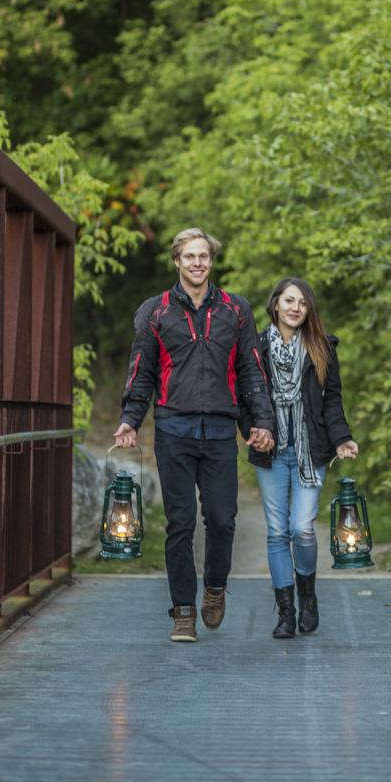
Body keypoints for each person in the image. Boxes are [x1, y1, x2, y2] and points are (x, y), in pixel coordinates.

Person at [115, 228, 274, 643]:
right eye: (190, 257)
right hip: (173, 431)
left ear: (211, 261)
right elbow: (141, 372)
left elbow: (251, 370)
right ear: (177, 261)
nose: (197, 263)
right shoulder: (156, 312)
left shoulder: (236, 311)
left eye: (203, 256)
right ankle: (183, 611)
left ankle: (215, 587)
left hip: (221, 432)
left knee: (222, 520)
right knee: (180, 523)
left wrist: (262, 422)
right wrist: (131, 419)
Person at [239, 277, 358, 638]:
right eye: (288, 301)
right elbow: (242, 397)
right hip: (270, 451)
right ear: (275, 304)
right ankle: (286, 614)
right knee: (277, 532)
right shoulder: (254, 348)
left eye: (302, 303)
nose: (295, 308)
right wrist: (251, 431)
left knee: (301, 528)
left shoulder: (322, 348)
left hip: (311, 449)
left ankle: (308, 598)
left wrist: (343, 437)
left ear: (309, 311)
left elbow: (332, 399)